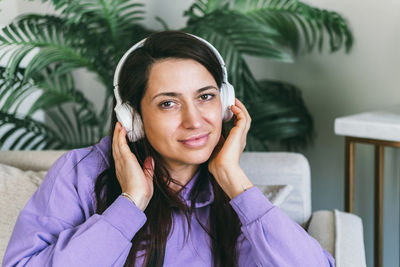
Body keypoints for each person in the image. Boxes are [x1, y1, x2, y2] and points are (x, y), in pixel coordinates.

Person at [3, 30, 334, 267]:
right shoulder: (80, 173)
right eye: (168, 104)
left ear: (225, 104)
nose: (194, 120)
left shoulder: (231, 194)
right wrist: (129, 205)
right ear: (133, 117)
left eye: (205, 97)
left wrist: (234, 180)